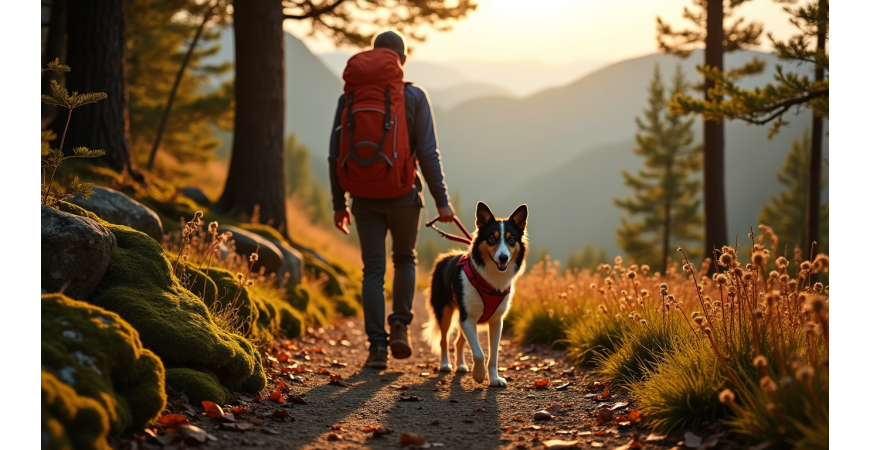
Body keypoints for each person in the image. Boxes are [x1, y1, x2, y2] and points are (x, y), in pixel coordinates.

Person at [328, 30, 455, 369]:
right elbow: (428, 154)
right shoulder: (413, 96)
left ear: (373, 55)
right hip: (402, 195)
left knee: (373, 270)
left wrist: (339, 204)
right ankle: (399, 325)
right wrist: (442, 202)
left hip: (363, 197)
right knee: (405, 259)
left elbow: (333, 154)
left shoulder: (349, 97)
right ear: (402, 59)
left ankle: (376, 348)